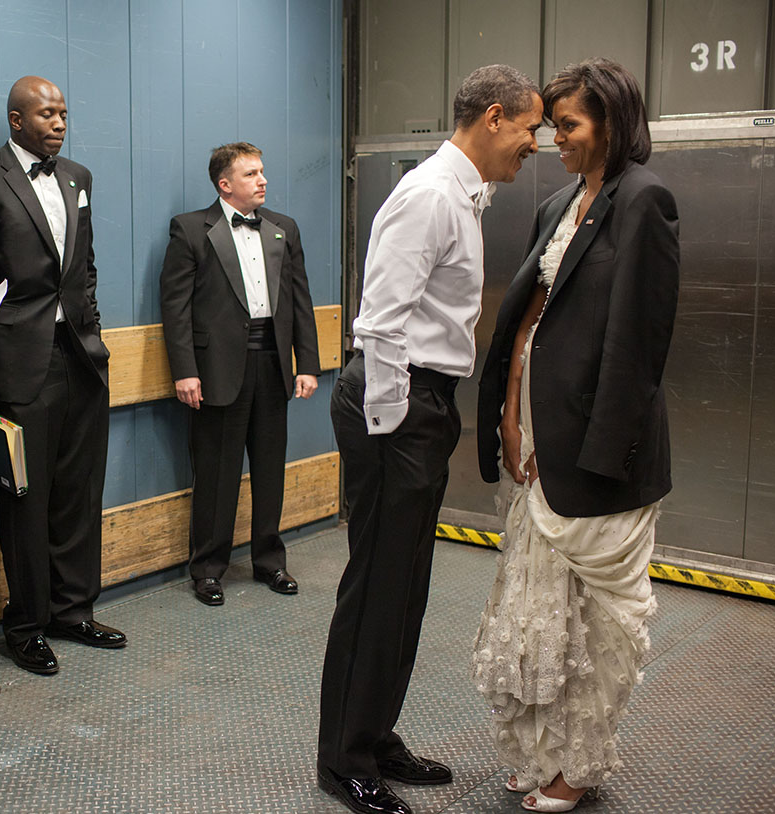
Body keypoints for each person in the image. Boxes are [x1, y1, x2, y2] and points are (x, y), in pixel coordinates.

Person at [317, 65, 543, 814]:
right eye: (529, 127)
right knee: (378, 583)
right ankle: (343, 760)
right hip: (396, 403)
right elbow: (380, 324)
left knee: (405, 588)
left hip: (423, 402)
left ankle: (376, 736)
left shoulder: (462, 194)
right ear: (492, 117)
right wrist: (391, 434)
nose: (534, 144)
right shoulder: (428, 195)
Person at [472, 58, 679, 813]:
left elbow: (638, 348)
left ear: (613, 124)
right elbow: (529, 319)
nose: (554, 139)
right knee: (540, 610)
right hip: (537, 437)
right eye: (552, 125)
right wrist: (506, 414)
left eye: (569, 125)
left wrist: (596, 459)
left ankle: (579, 764)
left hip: (600, 457)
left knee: (600, 625)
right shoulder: (559, 202)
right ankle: (538, 751)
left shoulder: (644, 201)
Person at [0, 76, 125, 676]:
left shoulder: (79, 177)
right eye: (46, 113)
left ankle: (73, 610)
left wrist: (97, 337)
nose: (58, 122)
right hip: (17, 360)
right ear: (15, 120)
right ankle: (25, 624)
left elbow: (85, 269)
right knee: (25, 499)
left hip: (81, 356)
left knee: (79, 490)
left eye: (63, 113)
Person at [159, 142, 320, 607]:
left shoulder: (283, 229)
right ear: (225, 184)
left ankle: (271, 561)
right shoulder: (190, 229)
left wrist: (306, 363)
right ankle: (209, 569)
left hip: (271, 365)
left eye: (263, 172)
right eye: (251, 174)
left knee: (270, 469)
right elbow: (175, 308)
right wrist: (184, 372)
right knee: (217, 474)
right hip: (215, 372)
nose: (263, 180)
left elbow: (299, 301)